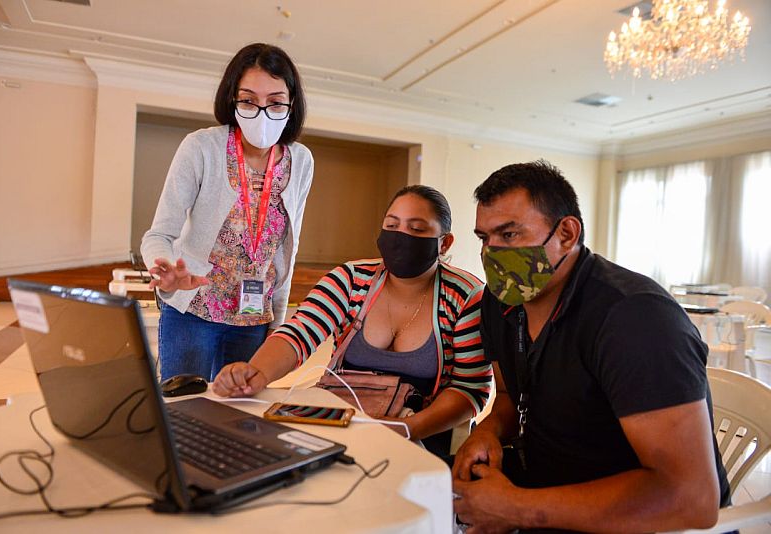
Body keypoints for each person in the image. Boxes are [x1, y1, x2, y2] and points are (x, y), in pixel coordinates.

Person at [452, 160, 729, 532]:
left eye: (510, 234)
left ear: (566, 233)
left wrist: (514, 508)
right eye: (485, 238)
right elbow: (507, 396)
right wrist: (487, 432)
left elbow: (689, 498)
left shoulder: (635, 319)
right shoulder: (500, 301)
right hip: (545, 487)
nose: (492, 253)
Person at [213, 185, 493, 459]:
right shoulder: (351, 279)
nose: (401, 237)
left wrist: (407, 429)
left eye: (417, 229)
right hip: (341, 423)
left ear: (444, 242)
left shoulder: (465, 296)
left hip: (422, 437)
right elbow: (298, 334)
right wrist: (256, 373)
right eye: (392, 226)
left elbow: (470, 389)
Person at [141, 43, 313, 382]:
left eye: (275, 101)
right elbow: (159, 235)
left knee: (240, 417)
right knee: (185, 411)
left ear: (291, 104)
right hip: (194, 310)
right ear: (232, 98)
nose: (262, 111)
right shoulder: (201, 147)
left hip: (253, 318)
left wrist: (278, 320)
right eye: (249, 100)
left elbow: (287, 249)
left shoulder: (302, 160)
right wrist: (164, 270)